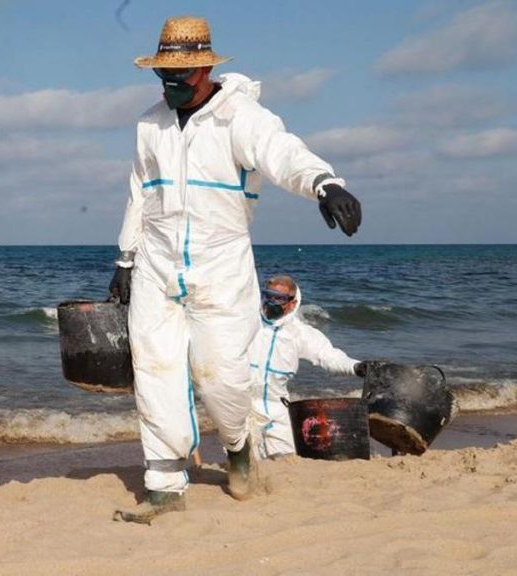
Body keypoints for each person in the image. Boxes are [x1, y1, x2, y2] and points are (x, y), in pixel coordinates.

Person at [110, 16, 362, 524]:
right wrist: (125, 257)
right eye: (162, 75)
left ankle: (239, 447)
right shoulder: (148, 124)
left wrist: (323, 183)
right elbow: (141, 191)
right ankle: (163, 485)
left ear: (204, 67)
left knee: (222, 379)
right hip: (157, 267)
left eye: (179, 76)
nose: (170, 85)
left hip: (221, 267)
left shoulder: (241, 117)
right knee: (154, 371)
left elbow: (281, 152)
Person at [250, 275, 366, 460]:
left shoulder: (299, 333)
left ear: (292, 302)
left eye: (279, 298)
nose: (271, 302)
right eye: (268, 295)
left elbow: (328, 355)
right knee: (244, 463)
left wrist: (356, 367)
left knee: (286, 460)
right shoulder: (248, 322)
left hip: (277, 407)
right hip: (243, 406)